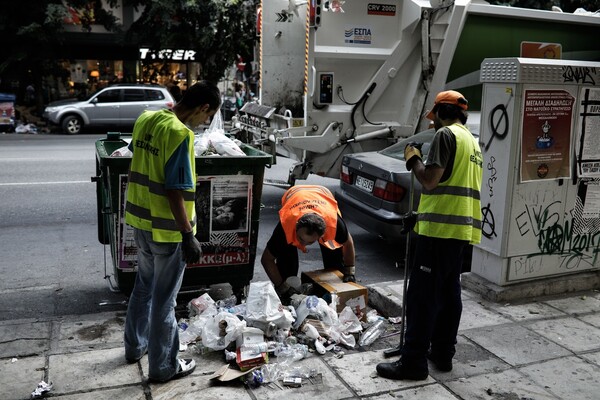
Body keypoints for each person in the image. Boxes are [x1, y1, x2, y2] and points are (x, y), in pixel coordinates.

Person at [376, 90, 483, 381]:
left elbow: (430, 181)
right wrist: (420, 216)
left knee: (421, 297)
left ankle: (413, 363)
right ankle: (442, 354)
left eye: (434, 116)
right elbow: (454, 189)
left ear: (443, 112)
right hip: (459, 230)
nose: (432, 122)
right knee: (449, 295)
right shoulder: (472, 142)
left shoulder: (445, 135)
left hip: (439, 233)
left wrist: (413, 160)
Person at [123, 81, 221, 383]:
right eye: (207, 117)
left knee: (143, 288)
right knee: (164, 301)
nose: (204, 123)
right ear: (203, 108)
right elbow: (175, 189)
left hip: (140, 223)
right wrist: (187, 234)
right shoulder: (180, 135)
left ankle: (134, 347)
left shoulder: (146, 119)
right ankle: (163, 367)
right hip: (167, 233)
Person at [261, 185, 357, 298]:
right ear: (296, 227)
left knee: (334, 262)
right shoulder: (285, 226)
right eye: (301, 239)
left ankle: (333, 296)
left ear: (322, 235)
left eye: (310, 242)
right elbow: (266, 259)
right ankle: (286, 295)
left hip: (323, 195)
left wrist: (349, 271)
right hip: (295, 195)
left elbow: (348, 242)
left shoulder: (334, 224)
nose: (303, 245)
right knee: (286, 265)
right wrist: (282, 286)